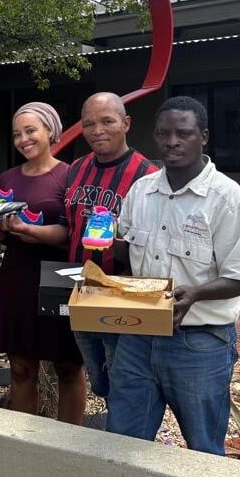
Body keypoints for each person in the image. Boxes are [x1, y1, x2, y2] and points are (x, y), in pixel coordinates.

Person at [107, 95, 240, 455]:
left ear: (204, 137)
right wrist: (106, 240)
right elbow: (128, 253)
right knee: (121, 443)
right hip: (139, 335)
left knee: (204, 452)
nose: (172, 142)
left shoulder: (227, 200)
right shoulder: (141, 191)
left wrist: (195, 293)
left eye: (183, 133)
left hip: (199, 343)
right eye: (163, 134)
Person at [0, 103, 85, 421]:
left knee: (69, 366)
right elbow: (2, 237)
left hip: (62, 275)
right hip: (18, 274)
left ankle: (71, 444)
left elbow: (74, 233)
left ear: (50, 131)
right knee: (20, 367)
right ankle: (23, 444)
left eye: (31, 130)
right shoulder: (7, 178)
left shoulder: (70, 175)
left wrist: (32, 230)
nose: (23, 139)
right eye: (17, 133)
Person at [64, 92, 157, 405]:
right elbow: (69, 228)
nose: (97, 130)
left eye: (107, 121)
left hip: (121, 295)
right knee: (99, 382)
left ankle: (123, 446)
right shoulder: (76, 169)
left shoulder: (148, 178)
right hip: (80, 291)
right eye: (89, 123)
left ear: (126, 123)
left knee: (125, 384)